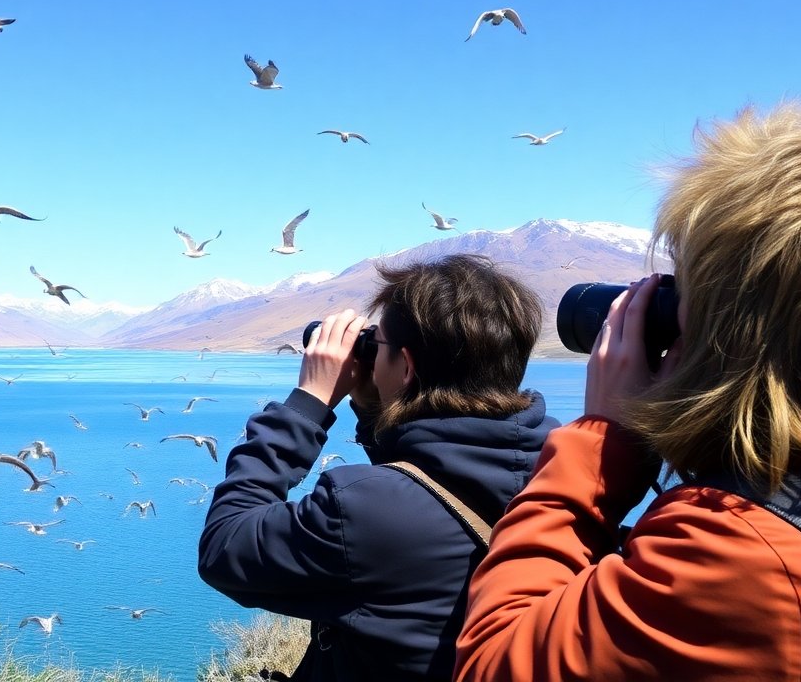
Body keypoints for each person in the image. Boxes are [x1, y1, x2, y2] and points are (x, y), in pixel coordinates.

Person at [455, 104, 801, 681]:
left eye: (681, 289)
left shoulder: (735, 556)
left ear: (729, 330)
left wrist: (600, 440)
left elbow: (493, 661)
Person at [197, 254, 558, 681]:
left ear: (406, 366)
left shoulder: (359, 509)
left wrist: (307, 405)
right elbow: (433, 488)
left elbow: (225, 548)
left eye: (377, 344)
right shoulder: (564, 474)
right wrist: (376, 412)